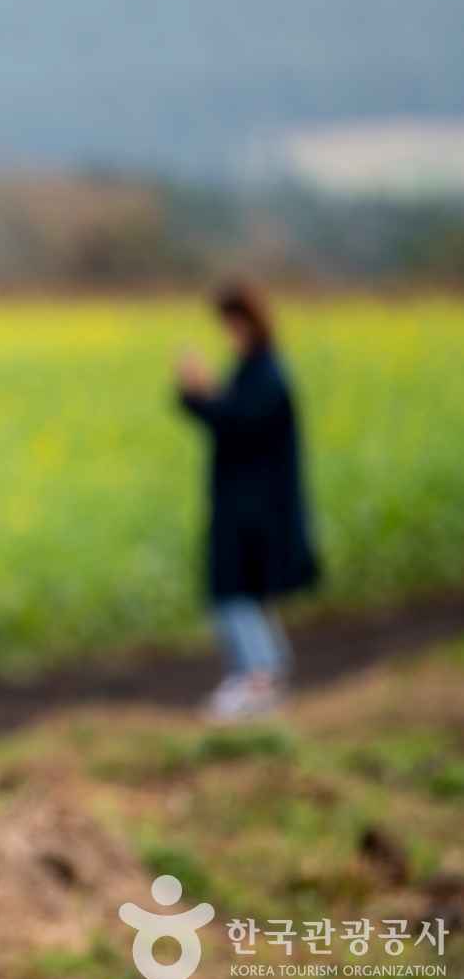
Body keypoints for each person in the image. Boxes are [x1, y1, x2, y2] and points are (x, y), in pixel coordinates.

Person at [176, 283, 319, 721]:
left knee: (234, 590)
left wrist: (198, 394)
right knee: (245, 591)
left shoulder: (266, 374)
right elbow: (230, 415)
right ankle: (261, 674)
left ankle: (260, 679)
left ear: (246, 323)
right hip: (249, 503)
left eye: (231, 325)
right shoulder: (256, 370)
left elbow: (237, 422)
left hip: (254, 507)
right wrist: (198, 397)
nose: (228, 335)